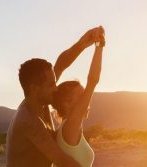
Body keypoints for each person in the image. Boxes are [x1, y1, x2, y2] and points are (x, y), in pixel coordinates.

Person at [6, 26, 105, 167]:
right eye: (51, 85)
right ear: (34, 89)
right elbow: (63, 161)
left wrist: (82, 44)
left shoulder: (42, 101)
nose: (56, 87)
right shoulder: (28, 120)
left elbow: (61, 65)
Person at [52, 27, 105, 167]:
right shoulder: (70, 127)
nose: (86, 99)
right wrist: (99, 46)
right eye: (81, 96)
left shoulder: (69, 129)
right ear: (66, 103)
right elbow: (93, 81)